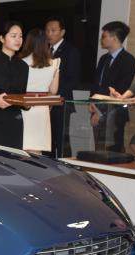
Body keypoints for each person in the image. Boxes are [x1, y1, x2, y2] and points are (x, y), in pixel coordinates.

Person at [90, 21, 135, 152]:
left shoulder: (129, 60)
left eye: (104, 36)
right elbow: (96, 84)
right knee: (99, 150)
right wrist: (92, 103)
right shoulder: (103, 59)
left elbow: (120, 89)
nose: (101, 39)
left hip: (114, 112)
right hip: (96, 109)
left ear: (114, 38)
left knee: (113, 151)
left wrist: (100, 111)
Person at [19, 29, 60, 153]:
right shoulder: (54, 63)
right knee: (37, 151)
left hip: (24, 107)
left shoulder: (21, 62)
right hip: (42, 108)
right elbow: (53, 90)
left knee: (21, 148)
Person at [45, 16, 81, 157]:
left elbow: (72, 80)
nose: (49, 34)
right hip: (45, 102)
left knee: (61, 141)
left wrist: (53, 97)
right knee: (46, 141)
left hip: (61, 103)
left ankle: (62, 167)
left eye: (53, 30)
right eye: (47, 30)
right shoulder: (44, 50)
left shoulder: (71, 51)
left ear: (62, 32)